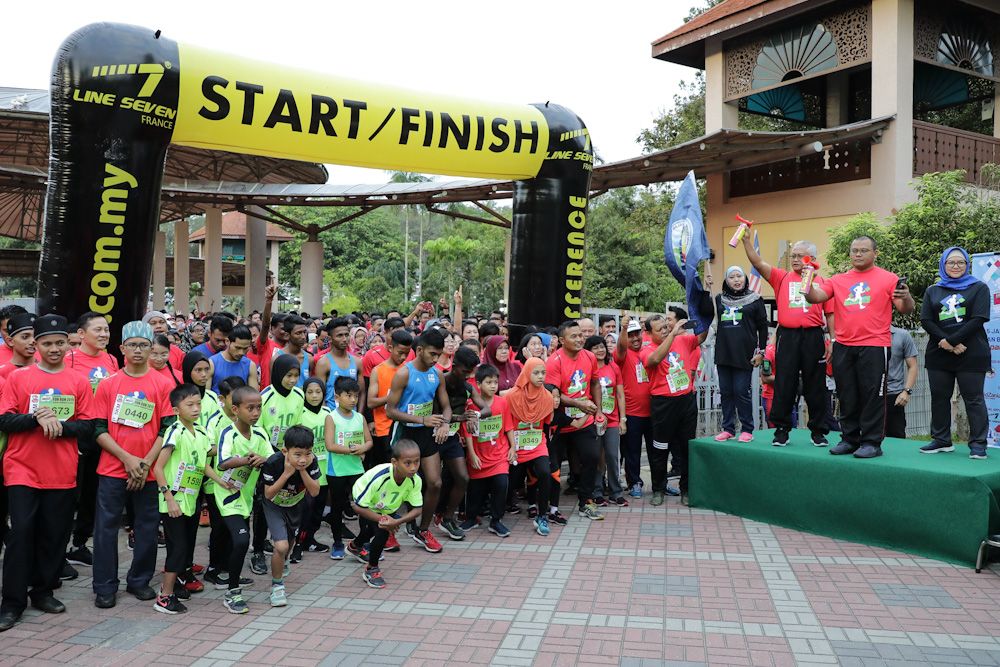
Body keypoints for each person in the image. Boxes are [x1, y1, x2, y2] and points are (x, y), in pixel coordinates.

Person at [0, 314, 95, 632]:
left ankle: (42, 591)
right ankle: (12, 603)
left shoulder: (78, 381)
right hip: (21, 468)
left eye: (59, 343)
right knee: (21, 533)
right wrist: (37, 418)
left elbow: (88, 426)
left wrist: (61, 425)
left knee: (54, 536)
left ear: (68, 343)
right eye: (46, 343)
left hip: (62, 471)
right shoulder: (18, 378)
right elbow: (5, 419)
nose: (54, 348)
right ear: (35, 345)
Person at [92, 320, 176, 609]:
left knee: (148, 528)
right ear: (122, 348)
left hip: (149, 472)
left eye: (144, 345)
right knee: (105, 529)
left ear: (152, 348)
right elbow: (98, 430)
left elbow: (167, 429)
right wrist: (128, 460)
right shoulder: (108, 384)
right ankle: (104, 586)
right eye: (132, 345)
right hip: (112, 470)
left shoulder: (163, 384)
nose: (138, 351)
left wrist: (145, 464)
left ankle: (139, 580)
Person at [806, 235, 914, 458]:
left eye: (863, 250)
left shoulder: (888, 278)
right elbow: (815, 297)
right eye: (854, 250)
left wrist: (907, 296)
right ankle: (849, 439)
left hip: (875, 345)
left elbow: (905, 309)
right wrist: (807, 281)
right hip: (844, 345)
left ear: (875, 253)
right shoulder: (838, 280)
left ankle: (872, 442)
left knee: (873, 395)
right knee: (847, 395)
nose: (858, 254)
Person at [743, 235, 833, 447]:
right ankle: (781, 430)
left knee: (816, 384)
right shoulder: (781, 277)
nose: (795, 259)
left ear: (811, 258)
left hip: (813, 335)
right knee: (784, 382)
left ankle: (818, 431)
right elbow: (757, 261)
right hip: (788, 335)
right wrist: (747, 240)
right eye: (793, 256)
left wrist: (834, 340)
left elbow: (830, 314)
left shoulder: (823, 282)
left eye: (800, 256)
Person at [152, 384, 234, 614]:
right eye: (190, 405)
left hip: (191, 498)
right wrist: (168, 498)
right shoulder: (174, 431)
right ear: (176, 409)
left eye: (198, 403)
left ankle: (176, 584)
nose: (196, 408)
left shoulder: (201, 432)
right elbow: (158, 468)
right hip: (174, 501)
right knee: (177, 548)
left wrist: (220, 481)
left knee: (185, 546)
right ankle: (164, 597)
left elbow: (203, 465)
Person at [385, 328, 452, 553]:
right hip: (405, 432)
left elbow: (446, 407)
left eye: (439, 355)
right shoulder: (404, 374)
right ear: (420, 350)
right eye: (432, 354)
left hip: (426, 433)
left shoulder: (437, 374)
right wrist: (421, 419)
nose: (436, 359)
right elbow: (390, 411)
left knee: (435, 482)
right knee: (397, 486)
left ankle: (422, 530)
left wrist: (445, 423)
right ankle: (388, 532)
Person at [920, 246, 990, 458]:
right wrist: (945, 342)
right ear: (943, 265)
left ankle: (978, 444)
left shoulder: (979, 288)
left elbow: (978, 319)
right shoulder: (933, 290)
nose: (956, 266)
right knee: (939, 397)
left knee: (974, 399)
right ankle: (941, 440)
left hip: (971, 351)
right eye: (951, 262)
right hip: (939, 352)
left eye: (961, 262)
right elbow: (926, 320)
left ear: (967, 265)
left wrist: (951, 341)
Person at [65, 312, 119, 569]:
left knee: (92, 493)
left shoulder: (111, 359)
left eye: (106, 329)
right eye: (97, 329)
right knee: (70, 494)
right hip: (77, 434)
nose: (104, 334)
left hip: (103, 434)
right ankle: (59, 548)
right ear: (81, 334)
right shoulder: (69, 359)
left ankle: (79, 544)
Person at [642, 308, 709, 506]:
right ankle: (658, 489)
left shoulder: (683, 340)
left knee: (687, 446)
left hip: (686, 400)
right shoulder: (647, 349)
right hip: (663, 404)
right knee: (660, 448)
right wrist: (671, 335)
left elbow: (701, 337)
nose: (664, 330)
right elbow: (654, 360)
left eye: (666, 326)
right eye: (659, 329)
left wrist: (704, 312)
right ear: (649, 333)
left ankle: (686, 489)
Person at [215, 386, 271, 613]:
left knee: (230, 540)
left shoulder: (260, 434)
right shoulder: (228, 433)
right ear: (235, 409)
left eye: (259, 407)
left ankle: (226, 573)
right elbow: (222, 462)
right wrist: (247, 460)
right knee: (241, 539)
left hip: (246, 495)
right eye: (250, 408)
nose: (256, 412)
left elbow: (273, 458)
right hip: (227, 493)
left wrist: (264, 458)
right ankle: (233, 591)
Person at [251, 354, 304, 575]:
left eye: (296, 376)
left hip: (290, 458)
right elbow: (258, 429)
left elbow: (298, 427)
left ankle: (281, 544)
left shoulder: (299, 395)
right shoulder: (266, 396)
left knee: (286, 501)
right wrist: (272, 456)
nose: (292, 380)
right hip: (269, 458)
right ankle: (257, 551)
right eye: (288, 375)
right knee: (263, 505)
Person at [546, 320, 604, 521]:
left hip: (585, 420)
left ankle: (586, 502)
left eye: (581, 335)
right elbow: (552, 394)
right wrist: (578, 403)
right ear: (562, 340)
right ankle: (551, 507)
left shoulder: (589, 357)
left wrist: (599, 410)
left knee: (591, 457)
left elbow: (595, 383)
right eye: (574, 336)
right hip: (560, 423)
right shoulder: (554, 361)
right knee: (553, 467)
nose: (580, 339)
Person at [348, 439, 424, 589]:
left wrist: (396, 521)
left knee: (370, 531)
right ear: (395, 462)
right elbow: (357, 507)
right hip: (366, 503)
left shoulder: (415, 480)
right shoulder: (380, 477)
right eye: (407, 463)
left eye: (417, 462)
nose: (413, 468)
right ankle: (372, 569)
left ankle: (354, 546)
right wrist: (386, 521)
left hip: (387, 505)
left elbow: (417, 509)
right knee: (382, 530)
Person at [260, 425, 322, 607]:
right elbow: (269, 494)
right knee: (280, 546)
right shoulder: (273, 462)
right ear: (285, 451)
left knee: (289, 544)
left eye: (307, 453)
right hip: (274, 506)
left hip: (295, 505)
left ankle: (283, 561)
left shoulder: (311, 462)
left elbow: (315, 491)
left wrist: (302, 470)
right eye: (298, 454)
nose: (303, 459)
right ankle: (277, 587)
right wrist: (287, 474)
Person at [435, 346, 485, 540]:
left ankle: (447, 518)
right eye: (465, 371)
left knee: (462, 478)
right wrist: (462, 418)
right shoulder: (441, 382)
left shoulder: (468, 387)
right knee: (433, 482)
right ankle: (417, 522)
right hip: (433, 437)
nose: (467, 376)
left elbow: (485, 408)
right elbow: (434, 413)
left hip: (452, 438)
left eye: (471, 372)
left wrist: (475, 416)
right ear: (454, 366)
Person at [713, 266, 768, 443]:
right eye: (732, 277)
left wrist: (761, 352)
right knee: (726, 392)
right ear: (726, 281)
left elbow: (763, 328)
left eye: (739, 276)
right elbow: (705, 311)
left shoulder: (755, 299)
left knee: (740, 391)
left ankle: (747, 429)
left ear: (745, 278)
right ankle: (728, 428)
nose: (736, 280)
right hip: (723, 352)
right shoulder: (719, 299)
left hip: (744, 354)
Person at [504, 358, 555, 535]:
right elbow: (507, 423)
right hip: (516, 444)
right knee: (511, 481)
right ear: (526, 373)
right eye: (536, 373)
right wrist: (511, 446)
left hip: (537, 442)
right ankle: (498, 512)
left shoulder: (547, 397)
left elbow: (547, 423)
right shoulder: (512, 396)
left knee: (544, 473)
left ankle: (542, 516)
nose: (541, 377)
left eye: (543, 373)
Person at [324, 376, 372, 560]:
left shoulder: (359, 417)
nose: (353, 400)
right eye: (348, 395)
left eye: (356, 396)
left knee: (363, 505)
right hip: (336, 470)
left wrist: (363, 448)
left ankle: (363, 543)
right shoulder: (332, 417)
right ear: (337, 396)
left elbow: (369, 441)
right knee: (337, 508)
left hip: (356, 469)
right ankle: (337, 542)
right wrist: (352, 450)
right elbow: (330, 445)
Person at [460, 364, 511, 536]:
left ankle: (496, 521)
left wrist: (513, 449)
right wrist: (472, 455)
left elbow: (508, 427)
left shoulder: (503, 403)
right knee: (476, 490)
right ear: (478, 384)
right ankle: (471, 518)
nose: (493, 386)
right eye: (488, 382)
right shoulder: (471, 405)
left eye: (495, 382)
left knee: (501, 484)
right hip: (479, 456)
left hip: (499, 454)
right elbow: (467, 431)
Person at [584, 335, 628, 507]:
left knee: (611, 455)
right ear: (589, 351)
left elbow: (620, 394)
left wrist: (622, 419)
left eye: (602, 346)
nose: (600, 350)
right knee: (597, 457)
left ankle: (616, 492)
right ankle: (597, 491)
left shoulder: (614, 367)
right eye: (595, 347)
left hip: (612, 420)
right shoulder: (587, 369)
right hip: (593, 419)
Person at [294, 378, 333, 559]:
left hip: (324, 471)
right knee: (305, 511)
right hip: (305, 472)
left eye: (318, 392)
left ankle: (310, 539)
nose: (314, 395)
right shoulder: (299, 413)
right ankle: (298, 544)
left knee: (318, 510)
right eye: (310, 392)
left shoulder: (327, 412)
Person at [614, 318, 653, 499]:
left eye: (637, 333)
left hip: (653, 411)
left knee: (656, 450)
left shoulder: (650, 351)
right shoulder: (622, 354)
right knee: (632, 451)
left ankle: (660, 483)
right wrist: (623, 328)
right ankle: (634, 482)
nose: (635, 338)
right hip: (632, 412)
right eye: (630, 335)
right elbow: (621, 348)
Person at [367, 329, 413, 475]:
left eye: (407, 353)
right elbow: (371, 402)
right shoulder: (378, 371)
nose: (404, 357)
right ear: (390, 348)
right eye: (400, 352)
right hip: (384, 428)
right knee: (388, 471)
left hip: (406, 425)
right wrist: (393, 395)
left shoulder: (409, 369)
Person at [317, 317, 364, 411]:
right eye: (339, 335)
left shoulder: (357, 362)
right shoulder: (323, 363)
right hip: (332, 417)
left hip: (352, 418)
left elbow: (362, 393)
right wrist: (326, 417)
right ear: (330, 339)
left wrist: (359, 415)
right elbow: (320, 394)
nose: (344, 339)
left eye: (347, 335)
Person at [885, 327, 918, 439]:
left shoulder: (902, 335)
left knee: (896, 438)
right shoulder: (865, 333)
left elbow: (913, 366)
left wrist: (906, 392)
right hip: (870, 395)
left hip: (894, 396)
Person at [209, 324, 259, 392]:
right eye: (237, 348)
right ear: (227, 342)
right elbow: (206, 397)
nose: (241, 352)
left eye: (245, 348)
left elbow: (253, 396)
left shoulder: (250, 366)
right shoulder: (212, 363)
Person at [276, 315, 313, 389]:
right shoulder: (277, 358)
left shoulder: (309, 358)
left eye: (304, 332)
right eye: (298, 333)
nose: (303, 337)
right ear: (287, 335)